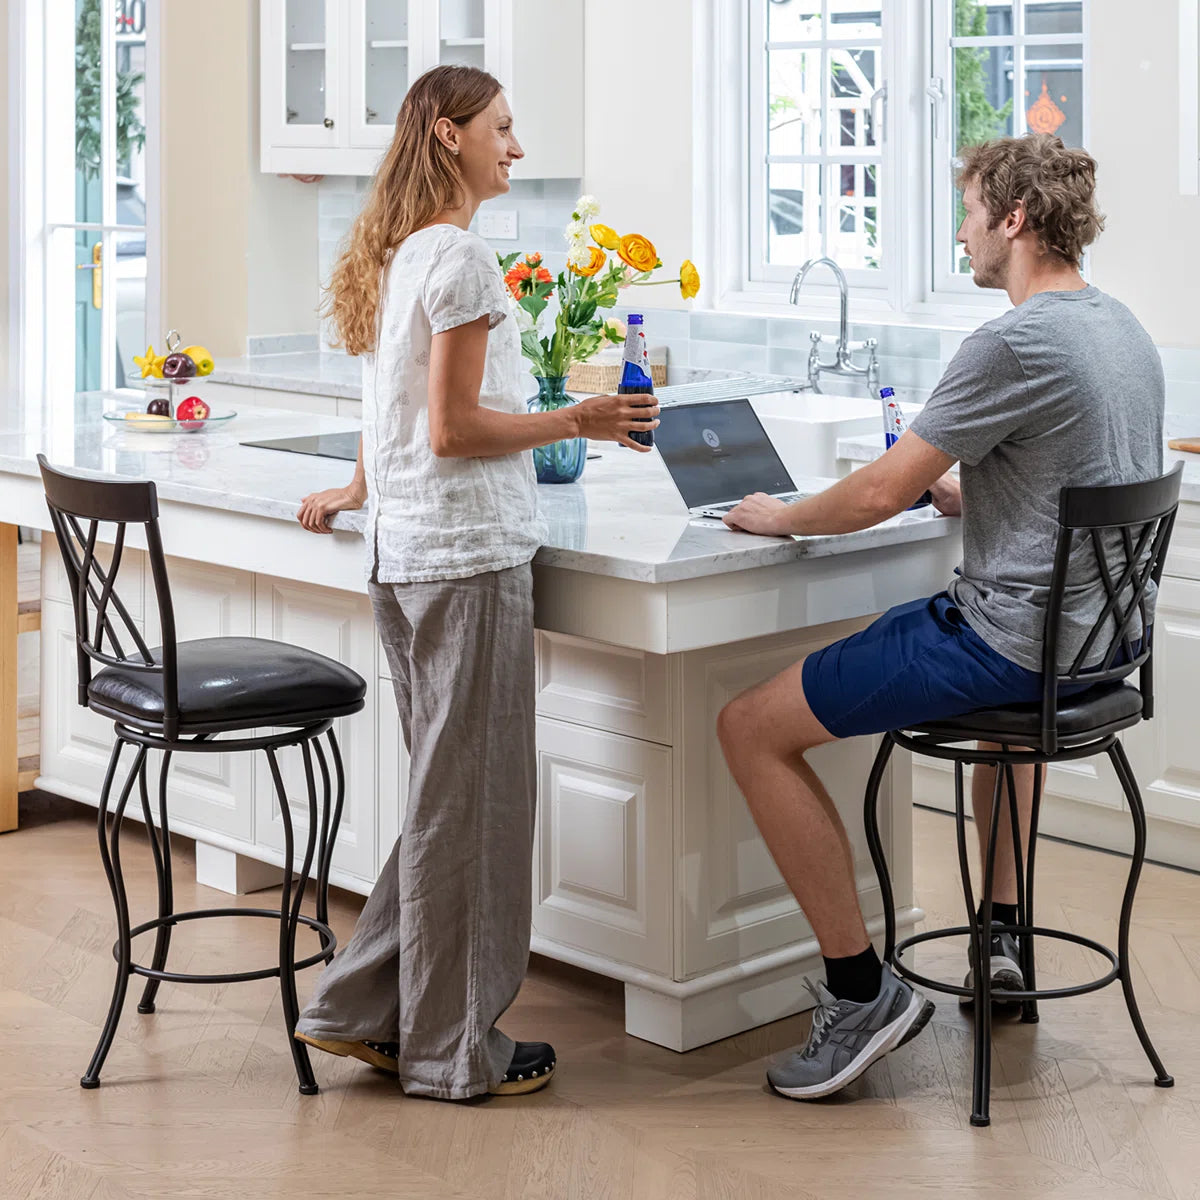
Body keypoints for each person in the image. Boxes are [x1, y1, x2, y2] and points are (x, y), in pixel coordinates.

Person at [717, 133, 1164, 1101]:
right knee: (1003, 733)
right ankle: (1000, 936)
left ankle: (860, 995)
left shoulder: (1013, 340)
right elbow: (1081, 474)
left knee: (748, 726)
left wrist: (781, 516)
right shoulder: (1118, 325)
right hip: (1100, 652)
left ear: (1014, 218)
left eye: (969, 214)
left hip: (1010, 649)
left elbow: (881, 491)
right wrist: (979, 494)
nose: (962, 235)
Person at [290, 65, 659, 1101]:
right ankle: (453, 1051)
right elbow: (452, 429)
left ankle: (364, 1011)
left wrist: (359, 487)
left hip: (407, 557)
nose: (516, 146)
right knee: (477, 811)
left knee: (445, 802)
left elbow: (394, 407)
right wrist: (580, 419)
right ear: (450, 136)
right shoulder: (458, 256)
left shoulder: (402, 252)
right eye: (502, 126)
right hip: (467, 560)